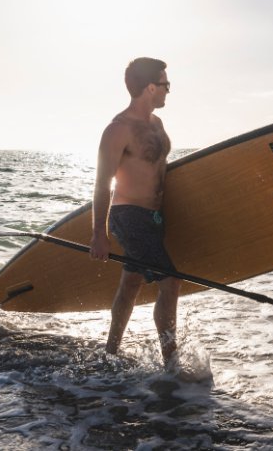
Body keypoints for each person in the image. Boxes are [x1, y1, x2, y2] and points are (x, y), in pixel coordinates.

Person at [89, 57, 180, 366]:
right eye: (166, 85)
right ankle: (172, 364)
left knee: (131, 283)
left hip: (154, 217)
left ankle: (110, 353)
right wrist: (99, 234)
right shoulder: (118, 130)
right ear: (151, 87)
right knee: (170, 282)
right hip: (129, 215)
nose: (168, 91)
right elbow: (102, 184)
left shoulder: (157, 124)